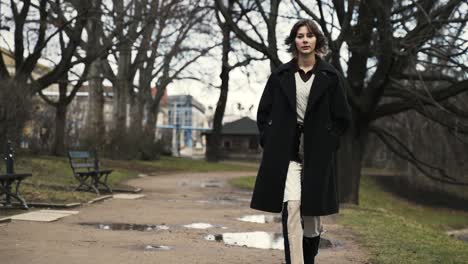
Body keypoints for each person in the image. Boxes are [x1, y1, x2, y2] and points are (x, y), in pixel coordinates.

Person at [250, 19, 351, 264]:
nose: (304, 40)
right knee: (292, 208)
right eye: (299, 35)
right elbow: (263, 114)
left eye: (309, 35)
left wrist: (329, 141)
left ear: (317, 41)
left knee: (312, 218)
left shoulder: (330, 76)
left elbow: (342, 118)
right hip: (287, 153)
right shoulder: (280, 76)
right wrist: (270, 139)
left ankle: (309, 253)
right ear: (294, 41)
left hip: (317, 153)